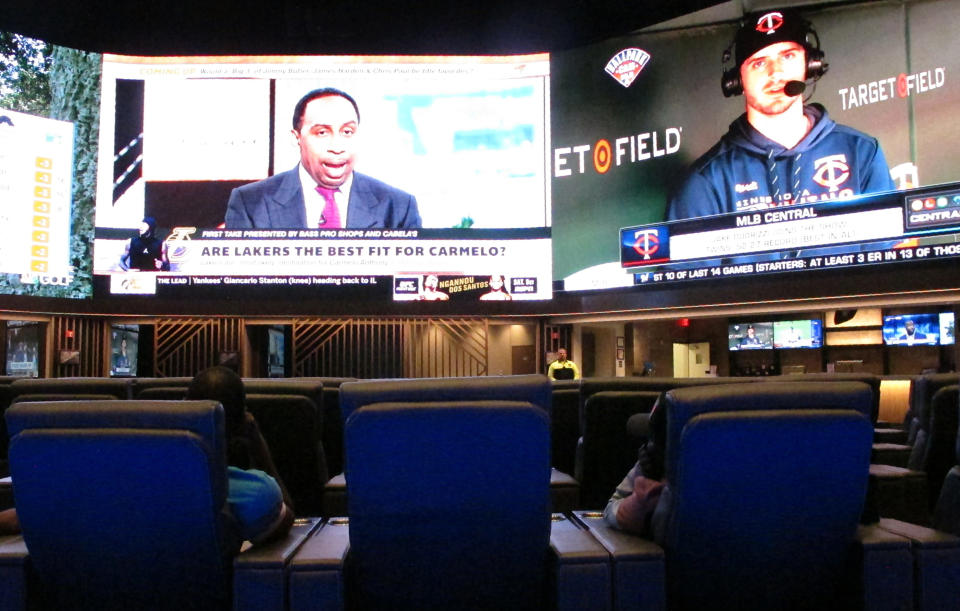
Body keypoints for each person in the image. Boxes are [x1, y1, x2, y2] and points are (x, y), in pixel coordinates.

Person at [667, 8, 895, 221]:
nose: (775, 73)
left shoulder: (861, 152)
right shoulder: (707, 181)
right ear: (737, 81)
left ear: (811, 65)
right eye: (759, 63)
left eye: (787, 56)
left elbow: (893, 253)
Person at [225, 87, 422, 229]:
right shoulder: (250, 203)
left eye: (347, 131)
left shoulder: (398, 207)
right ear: (297, 138)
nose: (337, 147)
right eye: (322, 132)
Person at [186, 366, 294, 545]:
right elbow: (287, 517)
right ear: (242, 422)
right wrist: (258, 445)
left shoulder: (140, 477)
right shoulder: (257, 493)